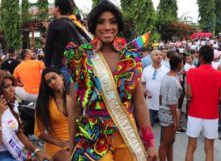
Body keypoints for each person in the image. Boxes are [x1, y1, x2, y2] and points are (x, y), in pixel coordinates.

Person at [64, 1, 158, 161]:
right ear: (93, 25)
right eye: (101, 22)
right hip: (92, 138)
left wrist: (150, 143)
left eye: (112, 21)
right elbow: (74, 107)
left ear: (119, 25)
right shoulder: (81, 58)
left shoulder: (131, 58)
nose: (107, 27)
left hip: (126, 136)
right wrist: (71, 144)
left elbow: (140, 103)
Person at [0, 71, 51, 161]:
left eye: (11, 85)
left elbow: (18, 133)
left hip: (12, 153)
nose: (12, 89)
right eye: (6, 87)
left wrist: (36, 151)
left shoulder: (11, 107)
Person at [185, 45, 221, 161]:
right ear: (212, 58)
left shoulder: (192, 72)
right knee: (209, 148)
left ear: (201, 57)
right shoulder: (220, 75)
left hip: (194, 113)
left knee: (191, 146)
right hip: (212, 114)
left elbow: (189, 95)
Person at [44, 0, 91, 89]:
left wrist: (47, 66)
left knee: (65, 94)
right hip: (76, 66)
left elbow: (48, 48)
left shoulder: (54, 24)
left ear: (57, 8)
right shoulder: (74, 24)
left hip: (60, 66)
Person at [35, 67, 70, 161]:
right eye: (49, 82)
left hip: (76, 141)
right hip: (56, 145)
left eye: (54, 78)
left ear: (61, 76)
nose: (53, 82)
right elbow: (38, 132)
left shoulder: (74, 97)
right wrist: (59, 142)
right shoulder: (44, 103)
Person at [158, 54, 183, 161]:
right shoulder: (172, 79)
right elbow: (172, 102)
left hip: (165, 110)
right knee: (165, 142)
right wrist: (176, 119)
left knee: (170, 141)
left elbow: (160, 96)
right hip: (169, 112)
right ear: (179, 65)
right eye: (182, 63)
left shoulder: (168, 76)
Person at [142, 49, 169, 127]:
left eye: (160, 54)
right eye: (156, 55)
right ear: (151, 57)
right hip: (149, 103)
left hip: (163, 104)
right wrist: (144, 90)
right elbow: (142, 83)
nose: (159, 56)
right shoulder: (146, 70)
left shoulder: (167, 70)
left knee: (165, 127)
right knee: (148, 126)